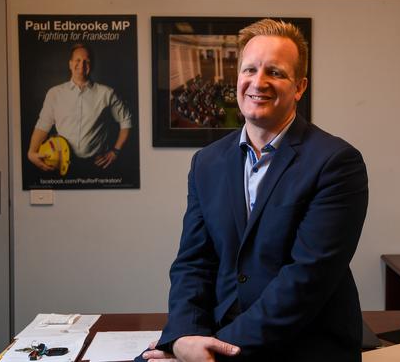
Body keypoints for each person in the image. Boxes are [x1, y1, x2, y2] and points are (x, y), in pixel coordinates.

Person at [139, 19, 368, 362]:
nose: (258, 82)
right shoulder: (207, 162)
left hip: (305, 346)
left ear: (300, 87)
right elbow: (194, 262)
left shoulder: (336, 162)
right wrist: (186, 336)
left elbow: (306, 280)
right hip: (219, 336)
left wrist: (215, 350)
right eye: (250, 69)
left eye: (275, 72)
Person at [27, 44, 131, 175]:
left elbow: (126, 120)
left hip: (98, 166)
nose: (81, 65)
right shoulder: (54, 93)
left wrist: (116, 151)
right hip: (62, 164)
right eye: (77, 60)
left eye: (86, 61)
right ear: (70, 64)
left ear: (91, 65)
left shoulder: (107, 93)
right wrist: (31, 152)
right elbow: (43, 125)